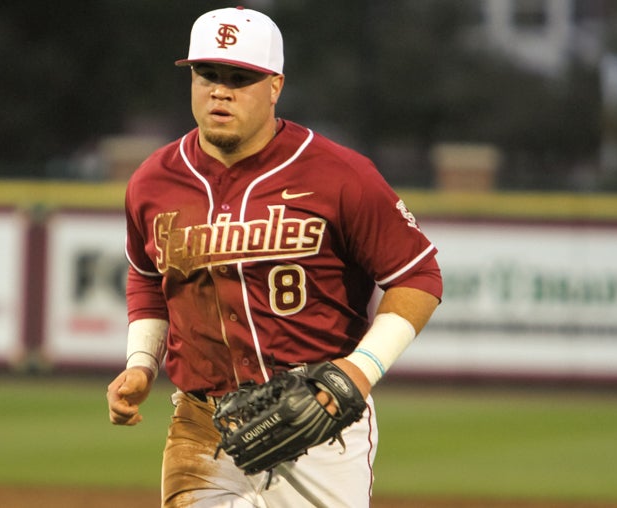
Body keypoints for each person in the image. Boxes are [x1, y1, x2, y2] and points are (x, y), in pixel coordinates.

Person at [107, 6, 442, 507]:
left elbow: (419, 276)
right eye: (208, 75)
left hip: (319, 420)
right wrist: (141, 364)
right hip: (201, 424)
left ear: (275, 86)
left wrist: (360, 370)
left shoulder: (339, 175)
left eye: (240, 77)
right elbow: (146, 279)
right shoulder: (153, 180)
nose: (220, 90)